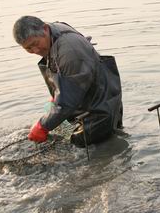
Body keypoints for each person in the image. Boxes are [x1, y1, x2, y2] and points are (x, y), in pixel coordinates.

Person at [13, 16, 123, 147]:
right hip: (98, 100)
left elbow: (66, 102)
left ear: (44, 29)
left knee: (88, 151)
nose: (35, 51)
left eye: (36, 44)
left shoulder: (69, 51)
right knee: (50, 109)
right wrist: (55, 99)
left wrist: (42, 126)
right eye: (28, 48)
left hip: (98, 115)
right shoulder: (54, 32)